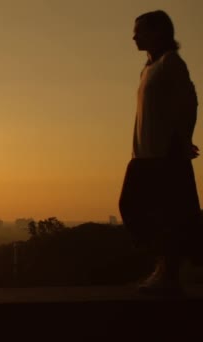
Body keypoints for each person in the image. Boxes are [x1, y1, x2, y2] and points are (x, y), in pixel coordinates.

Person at [119, 10, 200, 295]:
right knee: (137, 209)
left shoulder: (171, 63)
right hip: (143, 153)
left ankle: (168, 271)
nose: (134, 36)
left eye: (140, 30)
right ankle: (166, 266)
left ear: (159, 32)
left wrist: (183, 139)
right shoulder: (148, 68)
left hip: (163, 154)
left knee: (165, 214)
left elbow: (189, 102)